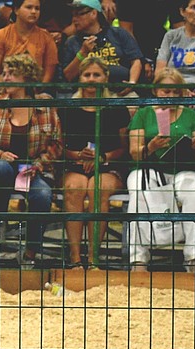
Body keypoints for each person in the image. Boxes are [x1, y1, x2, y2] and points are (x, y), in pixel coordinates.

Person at [0, 53, 62, 266]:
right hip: (2, 167)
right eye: (4, 73)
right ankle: (1, 219)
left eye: (11, 74)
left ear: (26, 77)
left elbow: (56, 144)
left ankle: (30, 253)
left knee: (43, 194)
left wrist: (38, 165)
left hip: (32, 169)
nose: (5, 78)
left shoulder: (45, 106)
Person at [127, 66, 195, 271]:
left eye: (175, 91)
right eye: (166, 91)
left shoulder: (191, 116)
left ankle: (194, 258)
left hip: (183, 169)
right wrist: (150, 147)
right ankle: (138, 259)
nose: (171, 95)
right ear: (156, 91)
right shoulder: (144, 113)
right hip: (151, 169)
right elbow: (134, 152)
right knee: (137, 184)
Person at [59, 56, 130, 267]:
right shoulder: (68, 107)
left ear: (106, 77)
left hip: (109, 164)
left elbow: (124, 147)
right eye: (87, 74)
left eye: (96, 75)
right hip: (75, 164)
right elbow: (60, 146)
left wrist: (102, 158)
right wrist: (78, 156)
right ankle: (74, 258)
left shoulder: (117, 107)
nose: (91, 79)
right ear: (80, 78)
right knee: (75, 187)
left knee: (97, 188)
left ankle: (93, 257)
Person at [61, 0, 144, 89]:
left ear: (93, 13)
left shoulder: (118, 33)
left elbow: (136, 61)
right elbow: (68, 76)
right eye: (73, 15)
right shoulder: (72, 42)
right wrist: (82, 53)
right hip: (86, 94)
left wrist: (131, 83)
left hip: (120, 92)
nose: (74, 19)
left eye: (79, 14)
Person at [0, 0, 58, 82]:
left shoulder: (46, 38)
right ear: (16, 10)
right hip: (6, 90)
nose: (33, 12)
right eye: (29, 7)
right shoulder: (0, 36)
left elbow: (48, 74)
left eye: (37, 8)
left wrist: (36, 92)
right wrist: (6, 91)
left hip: (36, 92)